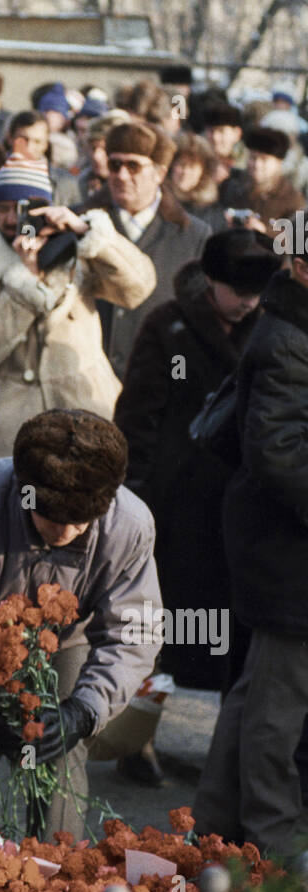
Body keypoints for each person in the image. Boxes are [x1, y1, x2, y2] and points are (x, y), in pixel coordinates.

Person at [0, 410, 162, 839]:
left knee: (60, 766)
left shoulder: (129, 525)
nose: (66, 531)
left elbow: (133, 634)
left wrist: (85, 711)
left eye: (80, 522)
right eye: (51, 518)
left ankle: (53, 875)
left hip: (64, 644)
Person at [113, 231, 281, 784]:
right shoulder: (170, 326)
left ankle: (224, 755)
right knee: (156, 630)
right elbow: (138, 413)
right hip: (175, 504)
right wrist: (133, 492)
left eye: (257, 290)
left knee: (233, 632)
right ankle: (136, 741)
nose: (248, 301)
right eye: (238, 290)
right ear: (211, 281)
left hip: (241, 507)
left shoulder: (274, 325)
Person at [194, 223, 308, 859]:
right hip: (284, 550)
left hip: (280, 543)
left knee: (258, 694)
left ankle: (217, 833)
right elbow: (278, 453)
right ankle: (267, 850)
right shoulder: (289, 338)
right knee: (275, 710)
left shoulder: (292, 325)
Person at [0, 159, 156, 463]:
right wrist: (25, 282)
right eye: (3, 209)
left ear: (45, 208)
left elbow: (139, 287)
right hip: (12, 421)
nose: (13, 219)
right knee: (18, 506)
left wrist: (86, 232)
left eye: (22, 208)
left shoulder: (77, 252)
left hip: (86, 410)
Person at [87, 122, 211, 380]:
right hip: (87, 379)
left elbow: (201, 322)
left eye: (133, 166)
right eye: (114, 165)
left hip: (156, 381)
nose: (121, 175)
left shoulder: (192, 235)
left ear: (159, 172)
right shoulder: (83, 223)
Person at [220, 126, 306, 235]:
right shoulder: (231, 187)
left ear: (279, 162)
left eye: (264, 159)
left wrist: (264, 232)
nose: (257, 165)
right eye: (253, 158)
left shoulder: (293, 200)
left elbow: (298, 241)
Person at [167, 132, 227, 231]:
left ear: (203, 172)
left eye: (192, 167)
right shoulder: (159, 202)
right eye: (181, 165)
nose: (185, 172)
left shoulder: (213, 213)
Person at [202, 102, 246, 187]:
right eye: (211, 131)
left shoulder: (248, 163)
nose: (215, 137)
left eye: (221, 131)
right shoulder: (197, 160)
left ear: (237, 133)